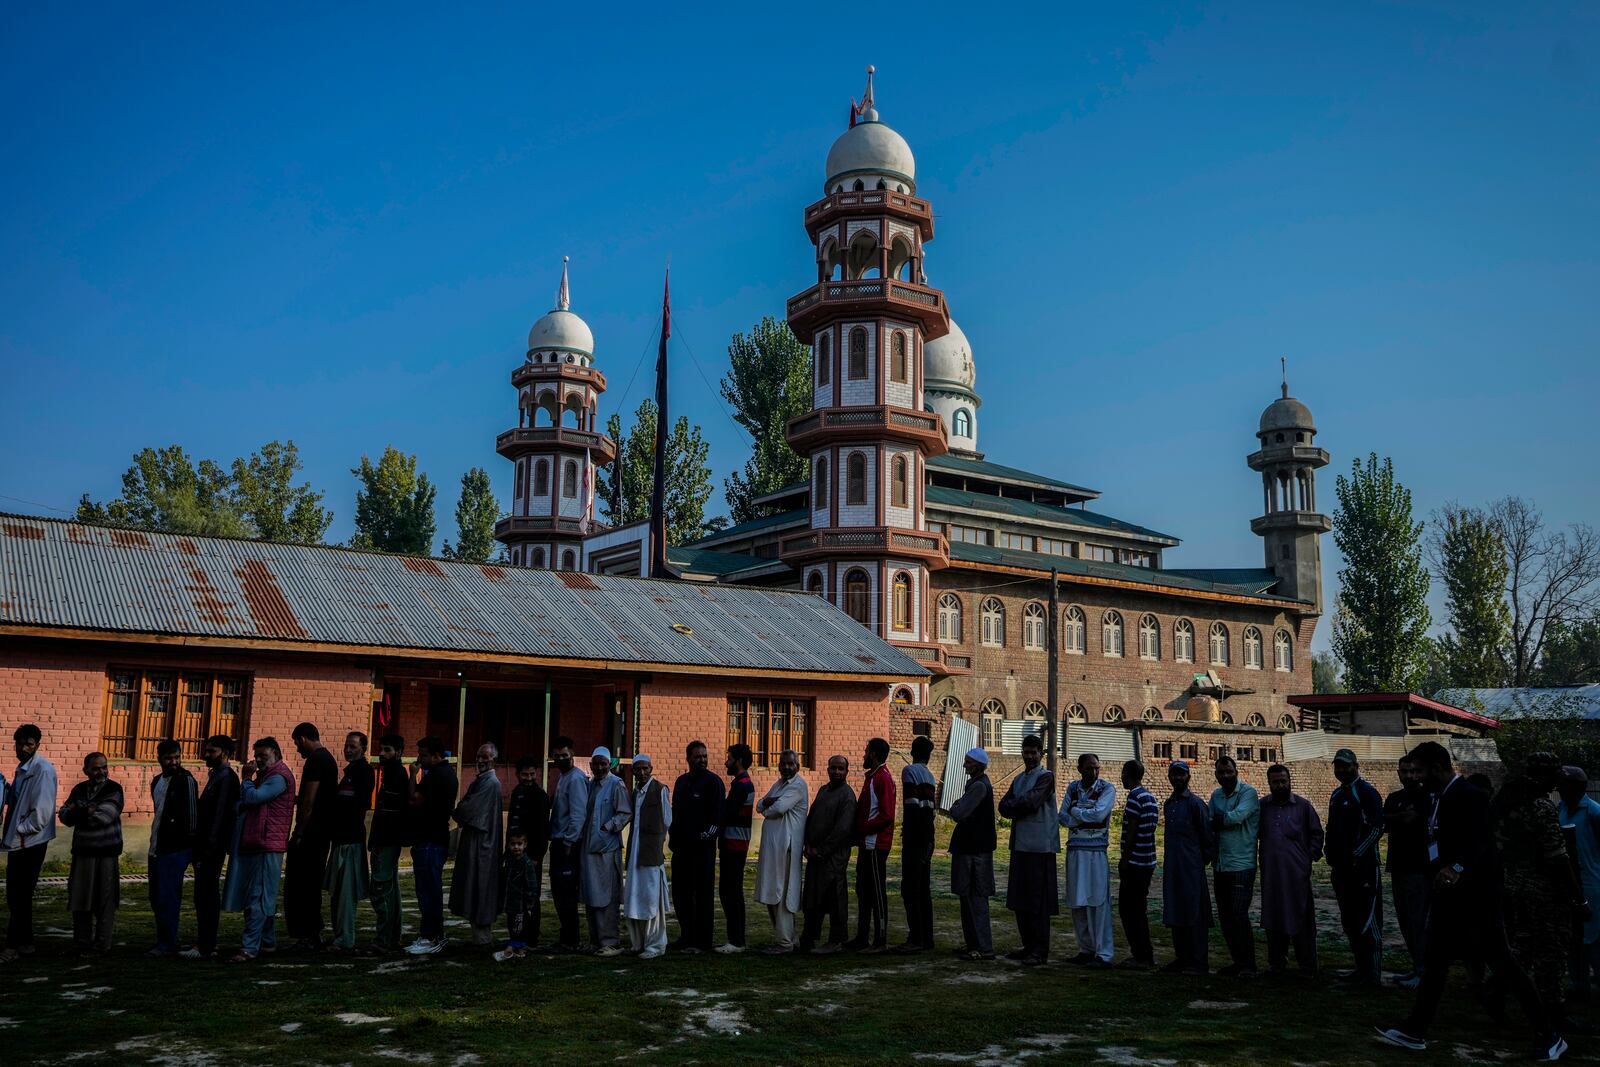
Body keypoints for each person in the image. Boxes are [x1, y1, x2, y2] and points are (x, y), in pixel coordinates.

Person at [1377, 741, 1566, 1061]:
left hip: (1478, 897)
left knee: (1504, 963)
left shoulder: (1470, 796)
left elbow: (1481, 842)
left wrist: (1457, 867)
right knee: (1436, 962)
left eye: (1420, 771)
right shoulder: (1437, 798)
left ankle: (1549, 1034)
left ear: (1437, 767)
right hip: (1450, 896)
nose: (1416, 777)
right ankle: (1416, 1029)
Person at [1495, 753, 1585, 1033]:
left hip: (1515, 886)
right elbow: (1558, 857)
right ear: (1551, 775)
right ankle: (1554, 1012)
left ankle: (1496, 990)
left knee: (1523, 946)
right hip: (1545, 890)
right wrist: (1577, 897)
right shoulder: (1542, 806)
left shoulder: (1507, 801)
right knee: (1551, 952)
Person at [224, 737, 295, 963]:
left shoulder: (278, 777)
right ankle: (268, 942)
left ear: (275, 754)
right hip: (259, 841)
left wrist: (245, 779)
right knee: (264, 897)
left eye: (263, 756)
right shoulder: (266, 776)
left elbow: (254, 797)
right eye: (257, 756)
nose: (258, 760)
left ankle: (249, 948)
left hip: (268, 844)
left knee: (258, 896)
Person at [998, 733, 1059, 966]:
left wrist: (1017, 805)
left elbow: (1032, 802)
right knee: (1020, 899)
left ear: (1041, 754)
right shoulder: (1019, 779)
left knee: (1038, 901)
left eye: (1034, 752)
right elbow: (1003, 806)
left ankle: (1040, 951)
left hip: (1040, 847)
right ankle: (1027, 946)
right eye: (1026, 752)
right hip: (1020, 846)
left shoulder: (1046, 777)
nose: (1030, 756)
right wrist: (1018, 805)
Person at [1325, 747, 1384, 985]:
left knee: (1367, 919)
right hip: (1341, 868)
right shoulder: (1337, 795)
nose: (1341, 770)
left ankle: (1373, 974)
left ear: (1356, 766)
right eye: (1338, 766)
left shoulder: (1366, 792)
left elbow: (1377, 828)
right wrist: (1329, 851)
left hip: (1364, 867)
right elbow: (1331, 827)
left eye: (1346, 766)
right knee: (1349, 920)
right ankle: (1360, 969)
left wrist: (1357, 854)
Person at [1258, 763, 1323, 976]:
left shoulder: (1303, 807)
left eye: (1283, 781)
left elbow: (1317, 834)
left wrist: (1307, 859)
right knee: (1273, 918)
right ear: (1269, 784)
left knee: (1302, 918)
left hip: (1297, 875)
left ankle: (1307, 965)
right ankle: (1277, 963)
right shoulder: (1262, 807)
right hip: (1271, 876)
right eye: (1275, 782)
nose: (1279, 785)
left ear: (1289, 781)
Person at [57, 751, 124, 956]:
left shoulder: (114, 789)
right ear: (86, 770)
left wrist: (81, 812)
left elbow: (105, 816)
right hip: (83, 852)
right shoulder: (79, 789)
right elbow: (64, 816)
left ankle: (102, 944)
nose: (101, 771)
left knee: (104, 900)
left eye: (104, 767)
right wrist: (87, 810)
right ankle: (82, 942)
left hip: (106, 853)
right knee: (80, 898)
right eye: (95, 768)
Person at [1, 723, 57, 964]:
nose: (23, 748)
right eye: (20, 743)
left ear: (37, 745)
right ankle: (26, 943)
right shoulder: (23, 768)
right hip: (19, 842)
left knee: (20, 895)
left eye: (29, 744)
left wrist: (21, 830)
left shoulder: (42, 770)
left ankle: (12, 946)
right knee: (16, 896)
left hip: (30, 843)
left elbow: (42, 813)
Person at [284, 721, 338, 953]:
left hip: (312, 833)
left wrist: (299, 831)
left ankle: (308, 934)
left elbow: (309, 800)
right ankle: (312, 932)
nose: (297, 748)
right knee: (311, 884)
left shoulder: (316, 761)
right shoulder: (329, 760)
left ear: (304, 739)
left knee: (302, 885)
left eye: (297, 743)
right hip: (323, 831)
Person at [185, 734, 239, 959]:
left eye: (211, 752)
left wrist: (210, 845)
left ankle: (206, 944)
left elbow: (220, 815)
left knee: (206, 894)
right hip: (207, 843)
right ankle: (205, 941)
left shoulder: (226, 778)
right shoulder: (217, 775)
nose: (206, 755)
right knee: (202, 894)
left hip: (211, 845)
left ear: (224, 753)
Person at [1060, 752, 1117, 968]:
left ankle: (1104, 954)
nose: (1094, 772)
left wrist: (1077, 812)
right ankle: (1086, 949)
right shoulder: (1073, 788)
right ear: (1080, 769)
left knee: (1098, 901)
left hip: (1096, 852)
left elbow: (1099, 815)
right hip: (1075, 850)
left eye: (1096, 768)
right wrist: (1082, 815)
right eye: (1089, 768)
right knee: (1077, 901)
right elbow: (1062, 817)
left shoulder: (1107, 789)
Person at [669, 740, 723, 955]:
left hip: (703, 851)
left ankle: (702, 941)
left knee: (702, 896)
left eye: (704, 756)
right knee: (681, 895)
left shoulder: (713, 782)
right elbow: (676, 813)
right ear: (688, 758)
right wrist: (673, 839)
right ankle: (686, 935)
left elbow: (717, 817)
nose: (702, 760)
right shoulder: (681, 782)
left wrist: (705, 838)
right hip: (681, 850)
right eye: (697, 756)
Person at [1162, 760, 1216, 975]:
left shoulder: (1196, 804)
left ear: (1188, 777)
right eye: (1174, 774)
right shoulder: (1169, 804)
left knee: (1195, 913)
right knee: (1176, 911)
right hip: (1172, 867)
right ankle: (1182, 959)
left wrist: (1199, 862)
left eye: (1181, 775)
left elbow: (1207, 837)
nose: (1177, 778)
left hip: (1192, 868)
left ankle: (1198, 961)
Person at [799, 755, 857, 955]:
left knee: (835, 899)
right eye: (833, 768)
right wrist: (807, 844)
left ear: (847, 772)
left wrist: (822, 850)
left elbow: (843, 829)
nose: (837, 772)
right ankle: (808, 937)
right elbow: (812, 816)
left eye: (841, 769)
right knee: (812, 897)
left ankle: (837, 940)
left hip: (834, 857)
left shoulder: (847, 795)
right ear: (828, 769)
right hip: (815, 855)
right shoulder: (824, 791)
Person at [1209, 754, 1260, 977]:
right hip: (1221, 864)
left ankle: (1249, 965)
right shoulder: (1216, 795)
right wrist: (1223, 819)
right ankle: (1238, 962)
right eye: (1221, 772)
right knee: (1226, 916)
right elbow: (1212, 821)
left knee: (1239, 915)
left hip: (1241, 864)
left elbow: (1236, 817)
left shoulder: (1248, 793)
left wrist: (1224, 818)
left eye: (1229, 771)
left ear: (1236, 771)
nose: (1225, 776)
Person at [146, 739, 199, 958]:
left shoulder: (186, 780)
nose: (174, 762)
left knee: (168, 896)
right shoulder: (157, 781)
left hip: (175, 848)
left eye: (177, 757)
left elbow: (193, 815)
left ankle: (167, 943)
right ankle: (163, 939)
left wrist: (190, 845)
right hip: (157, 846)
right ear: (160, 759)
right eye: (169, 758)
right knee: (156, 896)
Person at [405, 736, 457, 955]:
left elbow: (414, 799)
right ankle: (433, 934)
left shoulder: (436, 776)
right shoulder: (446, 774)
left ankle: (431, 936)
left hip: (430, 839)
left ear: (436, 756)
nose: (420, 759)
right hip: (433, 838)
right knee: (429, 889)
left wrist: (412, 776)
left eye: (423, 755)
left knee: (428, 891)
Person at [1383, 756, 1431, 988]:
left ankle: (1424, 971)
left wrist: (1398, 819)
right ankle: (1416, 967)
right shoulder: (1395, 798)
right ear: (1399, 773)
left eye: (1414, 771)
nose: (1410, 776)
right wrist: (1401, 818)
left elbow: (1413, 820)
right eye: (1405, 771)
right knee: (1404, 921)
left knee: (1418, 921)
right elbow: (1382, 823)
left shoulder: (1428, 798)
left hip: (1419, 868)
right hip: (1397, 866)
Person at [450, 743, 504, 948]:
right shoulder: (484, 781)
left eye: (485, 757)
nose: (481, 760)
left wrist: (460, 810)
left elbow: (466, 810)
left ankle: (483, 937)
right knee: (475, 887)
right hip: (478, 842)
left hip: (482, 845)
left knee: (480, 888)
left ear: (493, 760)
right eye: (479, 756)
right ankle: (480, 935)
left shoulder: (490, 783)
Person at [325, 731, 374, 954]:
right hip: (340, 838)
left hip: (350, 839)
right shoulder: (350, 772)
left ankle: (345, 938)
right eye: (346, 745)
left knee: (345, 893)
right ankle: (339, 934)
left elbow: (359, 805)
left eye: (353, 746)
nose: (348, 750)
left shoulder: (363, 772)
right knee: (337, 891)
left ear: (363, 748)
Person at [756, 749, 809, 954]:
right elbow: (760, 804)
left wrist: (769, 803)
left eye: (790, 764)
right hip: (773, 849)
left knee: (783, 894)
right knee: (771, 892)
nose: (786, 767)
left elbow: (777, 809)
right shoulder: (779, 784)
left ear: (797, 766)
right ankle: (788, 938)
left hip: (786, 848)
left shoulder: (798, 785)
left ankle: (785, 942)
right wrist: (769, 803)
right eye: (783, 763)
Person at [580, 746, 632, 957]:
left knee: (607, 897)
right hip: (589, 849)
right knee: (592, 896)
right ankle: (596, 940)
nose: (600, 767)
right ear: (591, 765)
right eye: (596, 764)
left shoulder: (616, 784)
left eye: (603, 763)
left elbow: (625, 812)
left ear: (609, 764)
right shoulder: (590, 785)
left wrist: (608, 827)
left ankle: (610, 941)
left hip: (607, 850)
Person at [947, 747, 997, 961]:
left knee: (975, 899)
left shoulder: (978, 787)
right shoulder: (976, 785)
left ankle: (983, 948)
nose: (965, 765)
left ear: (977, 765)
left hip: (974, 850)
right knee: (968, 898)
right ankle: (973, 945)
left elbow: (958, 812)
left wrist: (956, 807)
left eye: (968, 762)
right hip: (971, 848)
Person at [850, 736, 897, 954]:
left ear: (874, 755)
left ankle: (880, 940)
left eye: (866, 751)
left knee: (876, 893)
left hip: (876, 844)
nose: (863, 755)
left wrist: (864, 829)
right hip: (865, 845)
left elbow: (887, 815)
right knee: (863, 890)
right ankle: (862, 937)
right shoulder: (872, 777)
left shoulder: (883, 779)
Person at [624, 754, 672, 959]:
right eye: (637, 769)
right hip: (635, 853)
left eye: (645, 769)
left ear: (651, 768)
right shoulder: (635, 792)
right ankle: (638, 943)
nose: (642, 773)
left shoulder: (660, 790)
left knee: (652, 899)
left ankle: (655, 945)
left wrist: (655, 841)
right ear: (633, 771)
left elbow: (667, 820)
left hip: (651, 854)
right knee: (635, 897)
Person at [1559, 767, 1600, 1002]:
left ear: (1577, 787)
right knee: (1573, 938)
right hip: (1570, 884)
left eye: (1564, 784)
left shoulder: (1594, 813)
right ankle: (1578, 982)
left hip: (1592, 883)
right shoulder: (1561, 808)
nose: (1559, 789)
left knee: (1594, 938)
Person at [367, 733, 411, 954]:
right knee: (390, 889)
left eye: (387, 750)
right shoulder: (393, 774)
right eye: (381, 749)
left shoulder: (396, 775)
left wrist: (378, 840)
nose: (382, 754)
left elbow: (391, 814)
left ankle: (384, 938)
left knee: (381, 888)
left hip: (386, 839)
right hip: (386, 839)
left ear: (398, 752)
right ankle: (392, 937)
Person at [546, 736, 589, 953]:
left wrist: (570, 841)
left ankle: (571, 939)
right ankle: (565, 937)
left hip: (567, 843)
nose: (561, 759)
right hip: (559, 840)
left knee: (566, 893)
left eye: (565, 755)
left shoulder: (576, 779)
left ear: (572, 754)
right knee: (558, 891)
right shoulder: (563, 777)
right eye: (557, 756)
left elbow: (579, 814)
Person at [1116, 760, 1160, 970]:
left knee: (1128, 910)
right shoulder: (1150, 797)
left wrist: (1124, 859)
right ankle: (1146, 954)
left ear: (1128, 774)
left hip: (1135, 862)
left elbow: (1132, 830)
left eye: (1123, 774)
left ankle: (1140, 955)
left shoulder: (1134, 797)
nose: (1121, 778)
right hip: (1148, 860)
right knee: (1139, 909)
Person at [504, 755, 550, 953]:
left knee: (531, 896)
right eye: (525, 774)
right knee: (515, 895)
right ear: (518, 774)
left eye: (532, 774)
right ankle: (517, 935)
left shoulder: (540, 796)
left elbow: (542, 828)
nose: (529, 778)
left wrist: (537, 856)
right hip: (515, 853)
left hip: (531, 857)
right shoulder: (516, 792)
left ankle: (531, 937)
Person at [899, 735, 938, 953]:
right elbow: (929, 809)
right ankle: (927, 937)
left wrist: (909, 834)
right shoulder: (930, 776)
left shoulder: (909, 772)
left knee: (910, 889)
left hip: (915, 837)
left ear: (912, 752)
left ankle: (915, 937)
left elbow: (912, 806)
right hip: (928, 836)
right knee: (923, 889)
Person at [716, 743, 755, 955]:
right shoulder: (742, 783)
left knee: (730, 892)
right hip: (735, 844)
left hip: (734, 844)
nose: (726, 762)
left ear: (738, 760)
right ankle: (737, 938)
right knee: (733, 891)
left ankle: (736, 940)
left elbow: (728, 814)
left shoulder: (741, 785)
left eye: (729, 758)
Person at [496, 829, 539, 962]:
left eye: (519, 844)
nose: (516, 847)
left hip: (521, 902)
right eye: (513, 844)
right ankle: (517, 947)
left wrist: (531, 898)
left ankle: (515, 947)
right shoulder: (509, 861)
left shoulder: (526, 863)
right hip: (511, 901)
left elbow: (532, 882)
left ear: (525, 845)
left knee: (519, 926)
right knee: (511, 924)